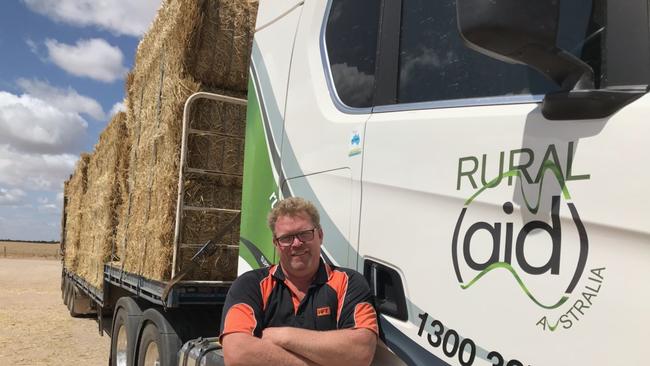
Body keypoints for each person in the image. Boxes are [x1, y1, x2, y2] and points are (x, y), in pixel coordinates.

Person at [220, 197, 378, 366]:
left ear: (320, 235)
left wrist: (283, 336)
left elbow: (361, 352)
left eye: (304, 234)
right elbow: (237, 353)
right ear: (276, 243)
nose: (296, 244)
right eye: (286, 238)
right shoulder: (250, 284)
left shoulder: (348, 282)